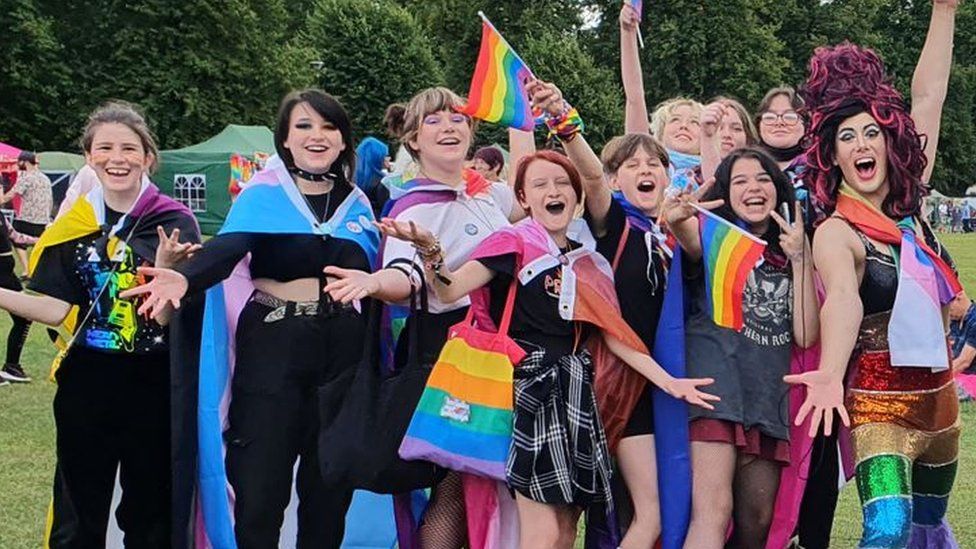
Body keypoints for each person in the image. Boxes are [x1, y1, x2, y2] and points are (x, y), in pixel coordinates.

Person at [372, 148, 718, 549]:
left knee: (565, 533)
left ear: (577, 198)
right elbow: (451, 289)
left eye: (561, 183)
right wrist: (431, 252)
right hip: (526, 391)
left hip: (574, 394)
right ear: (523, 198)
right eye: (539, 184)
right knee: (543, 533)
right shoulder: (512, 242)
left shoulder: (587, 261)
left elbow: (613, 335)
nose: (553, 191)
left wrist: (670, 382)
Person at [125, 89, 380, 548]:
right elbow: (227, 249)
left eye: (328, 127)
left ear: (344, 141)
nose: (316, 136)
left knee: (329, 490)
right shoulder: (263, 195)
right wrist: (185, 279)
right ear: (285, 138)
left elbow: (378, 277)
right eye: (303, 126)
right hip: (273, 345)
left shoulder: (359, 205)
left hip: (341, 349)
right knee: (261, 490)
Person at [786, 1, 962, 545]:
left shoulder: (911, 206)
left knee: (926, 528)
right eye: (847, 138)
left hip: (940, 400)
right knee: (885, 531)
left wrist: (945, 10)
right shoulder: (836, 231)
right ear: (831, 156)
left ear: (890, 141)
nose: (862, 145)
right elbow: (843, 299)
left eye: (871, 133)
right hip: (876, 402)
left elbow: (929, 96)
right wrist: (830, 370)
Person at [318, 86, 516, 549]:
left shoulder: (488, 197)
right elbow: (406, 274)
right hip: (451, 351)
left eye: (457, 118)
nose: (448, 126)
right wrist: (373, 283)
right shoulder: (416, 207)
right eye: (433, 120)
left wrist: (525, 114)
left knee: (480, 486)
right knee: (451, 482)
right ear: (412, 140)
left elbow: (527, 202)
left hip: (498, 346)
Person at [0, 101, 201, 547]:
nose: (117, 158)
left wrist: (167, 272)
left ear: (148, 157)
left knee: (149, 511)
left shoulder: (173, 222)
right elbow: (56, 309)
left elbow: (171, 319)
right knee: (78, 507)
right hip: (87, 378)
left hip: (154, 380)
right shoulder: (75, 222)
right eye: (104, 148)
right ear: (90, 157)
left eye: (129, 148)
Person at [664, 147, 819, 549]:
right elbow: (687, 236)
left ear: (778, 188)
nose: (753, 187)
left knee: (757, 522)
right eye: (740, 181)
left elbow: (804, 333)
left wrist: (800, 257)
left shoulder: (793, 253)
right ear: (727, 194)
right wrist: (679, 217)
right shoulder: (715, 238)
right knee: (712, 512)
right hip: (715, 392)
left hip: (768, 397)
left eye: (763, 178)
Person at [619, 3, 703, 193]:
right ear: (659, 132)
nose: (684, 126)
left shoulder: (716, 175)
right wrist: (627, 32)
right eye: (675, 120)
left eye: (694, 122)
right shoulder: (645, 156)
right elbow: (634, 96)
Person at [1, 150, 53, 277]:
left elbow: (11, 194)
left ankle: (26, 270)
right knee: (38, 244)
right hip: (44, 220)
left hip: (28, 219)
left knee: (15, 238)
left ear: (24, 162)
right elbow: (50, 200)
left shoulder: (27, 178)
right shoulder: (45, 178)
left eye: (19, 162)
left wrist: (1, 199)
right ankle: (38, 270)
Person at [0, 215, 38, 384]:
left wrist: (43, 239)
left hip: (7, 276)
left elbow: (16, 237)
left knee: (25, 317)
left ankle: (12, 366)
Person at [354, 136, 392, 217]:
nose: (389, 158)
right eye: (386, 155)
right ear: (377, 157)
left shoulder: (351, 179)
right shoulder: (383, 182)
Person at [949, 290, 976, 374]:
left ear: (958, 297)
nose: (947, 313)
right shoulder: (955, 318)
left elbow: (964, 362)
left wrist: (940, 380)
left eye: (948, 308)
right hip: (957, 374)